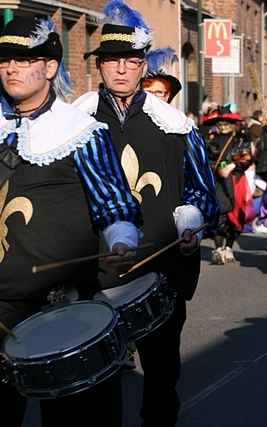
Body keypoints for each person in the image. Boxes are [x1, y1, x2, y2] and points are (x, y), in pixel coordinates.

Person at [73, 1, 217, 425]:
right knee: (97, 383)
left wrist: (191, 222)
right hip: (92, 271)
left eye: (131, 61)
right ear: (99, 66)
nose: (121, 70)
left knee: (161, 376)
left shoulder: (175, 124)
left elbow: (203, 190)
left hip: (161, 268)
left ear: (143, 65)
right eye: (111, 61)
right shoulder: (74, 123)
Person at [0, 15, 141, 427]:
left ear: (49, 68)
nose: (10, 68)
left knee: (73, 418)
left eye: (24, 60)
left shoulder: (80, 131)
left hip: (61, 303)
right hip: (0, 305)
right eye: (4, 59)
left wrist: (121, 242)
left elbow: (113, 203)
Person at [203, 104, 255, 264]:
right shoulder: (211, 141)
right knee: (219, 215)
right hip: (217, 183)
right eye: (220, 124)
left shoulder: (240, 140)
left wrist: (232, 166)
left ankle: (229, 247)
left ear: (232, 124)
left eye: (226, 124)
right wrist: (216, 168)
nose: (223, 127)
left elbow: (246, 157)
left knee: (235, 216)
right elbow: (205, 159)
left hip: (235, 182)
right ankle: (218, 248)